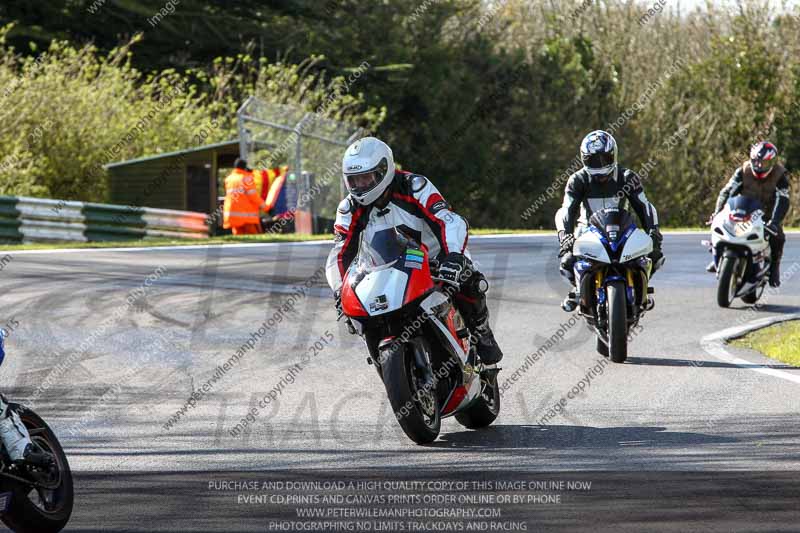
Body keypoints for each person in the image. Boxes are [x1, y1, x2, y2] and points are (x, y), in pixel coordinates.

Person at [324, 137, 503, 364]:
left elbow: (448, 221)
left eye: (366, 178)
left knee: (470, 280)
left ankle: (481, 330)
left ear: (383, 170)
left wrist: (455, 256)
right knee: (359, 316)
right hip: (385, 270)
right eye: (354, 180)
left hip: (436, 260)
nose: (360, 186)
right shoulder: (349, 208)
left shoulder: (414, 186)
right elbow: (339, 252)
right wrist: (340, 290)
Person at [555, 130, 663, 310]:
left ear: (613, 155)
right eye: (593, 160)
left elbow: (644, 206)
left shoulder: (627, 177)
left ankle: (642, 291)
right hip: (588, 231)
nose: (600, 165)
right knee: (567, 261)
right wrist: (564, 236)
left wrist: (653, 230)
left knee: (655, 255)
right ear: (584, 158)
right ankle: (577, 290)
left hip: (623, 229)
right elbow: (566, 209)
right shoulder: (577, 180)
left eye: (604, 158)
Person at [707, 141, 790, 287]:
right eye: (756, 161)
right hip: (742, 209)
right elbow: (727, 191)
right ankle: (719, 255)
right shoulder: (743, 171)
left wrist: (775, 222)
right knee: (720, 224)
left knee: (778, 238)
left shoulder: (780, 176)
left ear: (772, 162)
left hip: (767, 215)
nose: (758, 166)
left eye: (763, 163)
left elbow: (783, 200)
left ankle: (774, 268)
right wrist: (717, 211)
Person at [223, 158, 263, 235]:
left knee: (239, 241)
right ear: (245, 167)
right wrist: (267, 208)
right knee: (254, 240)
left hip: (232, 216)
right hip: (247, 217)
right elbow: (254, 197)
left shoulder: (229, 179)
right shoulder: (246, 179)